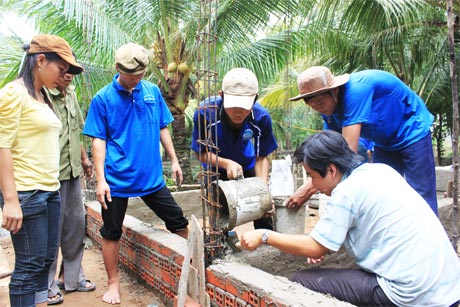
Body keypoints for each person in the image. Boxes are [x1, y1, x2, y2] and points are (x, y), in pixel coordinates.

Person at [239, 130, 460, 307]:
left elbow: (315, 248)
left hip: (412, 294)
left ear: (332, 170)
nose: (312, 185)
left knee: (301, 280)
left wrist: (264, 235)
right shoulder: (380, 171)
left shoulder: (345, 193)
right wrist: (322, 243)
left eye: (313, 177)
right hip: (447, 287)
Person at [82, 42, 189, 305]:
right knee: (111, 231)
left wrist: (174, 160)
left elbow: (164, 127)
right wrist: (101, 179)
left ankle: (192, 269)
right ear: (118, 69)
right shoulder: (103, 99)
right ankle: (113, 282)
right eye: (131, 76)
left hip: (152, 178)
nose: (136, 80)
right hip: (116, 181)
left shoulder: (151, 91)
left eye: (140, 75)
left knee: (178, 222)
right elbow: (98, 140)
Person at [0, 34, 83, 307]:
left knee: (45, 260)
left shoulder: (43, 96)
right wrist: (11, 200)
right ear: (41, 60)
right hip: (27, 192)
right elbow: (2, 146)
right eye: (61, 69)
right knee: (28, 265)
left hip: (50, 190)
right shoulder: (14, 93)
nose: (64, 76)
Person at [287, 66, 438, 215]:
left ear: (334, 90)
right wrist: (308, 187)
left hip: (412, 130)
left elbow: (345, 156)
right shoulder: (328, 110)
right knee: (384, 194)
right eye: (312, 106)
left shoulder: (355, 92)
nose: (318, 109)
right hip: (384, 142)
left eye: (320, 103)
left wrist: (309, 188)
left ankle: (432, 237)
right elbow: (326, 152)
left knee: (421, 193)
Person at [191, 68, 278, 230]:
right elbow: (201, 154)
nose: (238, 112)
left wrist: (263, 189)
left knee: (263, 210)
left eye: (244, 106)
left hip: (248, 166)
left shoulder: (261, 118)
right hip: (214, 168)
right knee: (218, 216)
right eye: (233, 105)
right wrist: (226, 163)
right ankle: (222, 247)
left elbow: (261, 157)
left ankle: (266, 242)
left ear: (255, 99)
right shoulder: (205, 113)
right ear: (221, 95)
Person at [45, 71, 95, 305]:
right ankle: (46, 284)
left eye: (72, 72)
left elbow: (76, 131)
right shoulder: (41, 93)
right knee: (51, 232)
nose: (68, 76)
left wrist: (84, 159)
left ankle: (71, 277)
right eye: (64, 70)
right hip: (50, 175)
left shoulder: (71, 93)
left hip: (73, 171)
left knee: (76, 226)